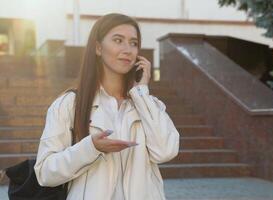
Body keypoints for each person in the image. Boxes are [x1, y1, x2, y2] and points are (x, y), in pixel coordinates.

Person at [34, 13, 180, 200]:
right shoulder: (69, 104)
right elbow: (45, 173)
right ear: (98, 48)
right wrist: (90, 148)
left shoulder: (148, 105)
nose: (128, 49)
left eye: (134, 43)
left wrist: (142, 92)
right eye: (118, 40)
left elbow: (166, 151)